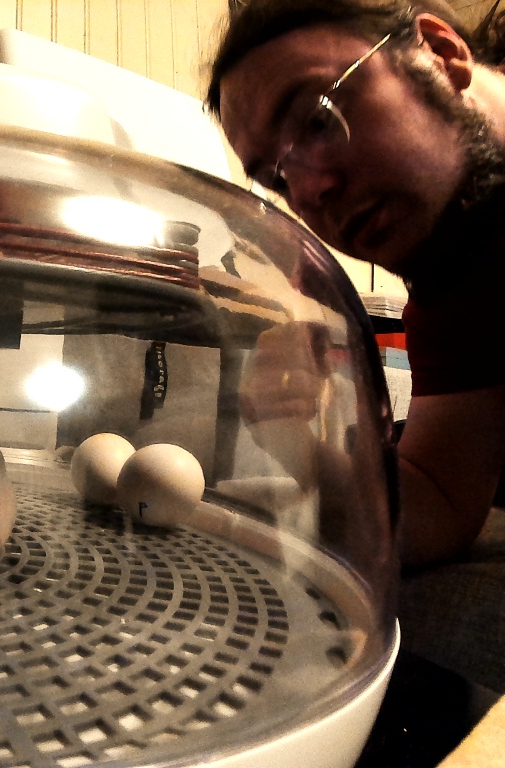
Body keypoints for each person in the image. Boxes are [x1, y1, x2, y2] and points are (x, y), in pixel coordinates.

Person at [205, 0, 505, 570]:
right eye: (278, 179)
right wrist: (293, 441)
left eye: (318, 119)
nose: (308, 193)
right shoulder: (459, 285)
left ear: (440, 54)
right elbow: (437, 505)